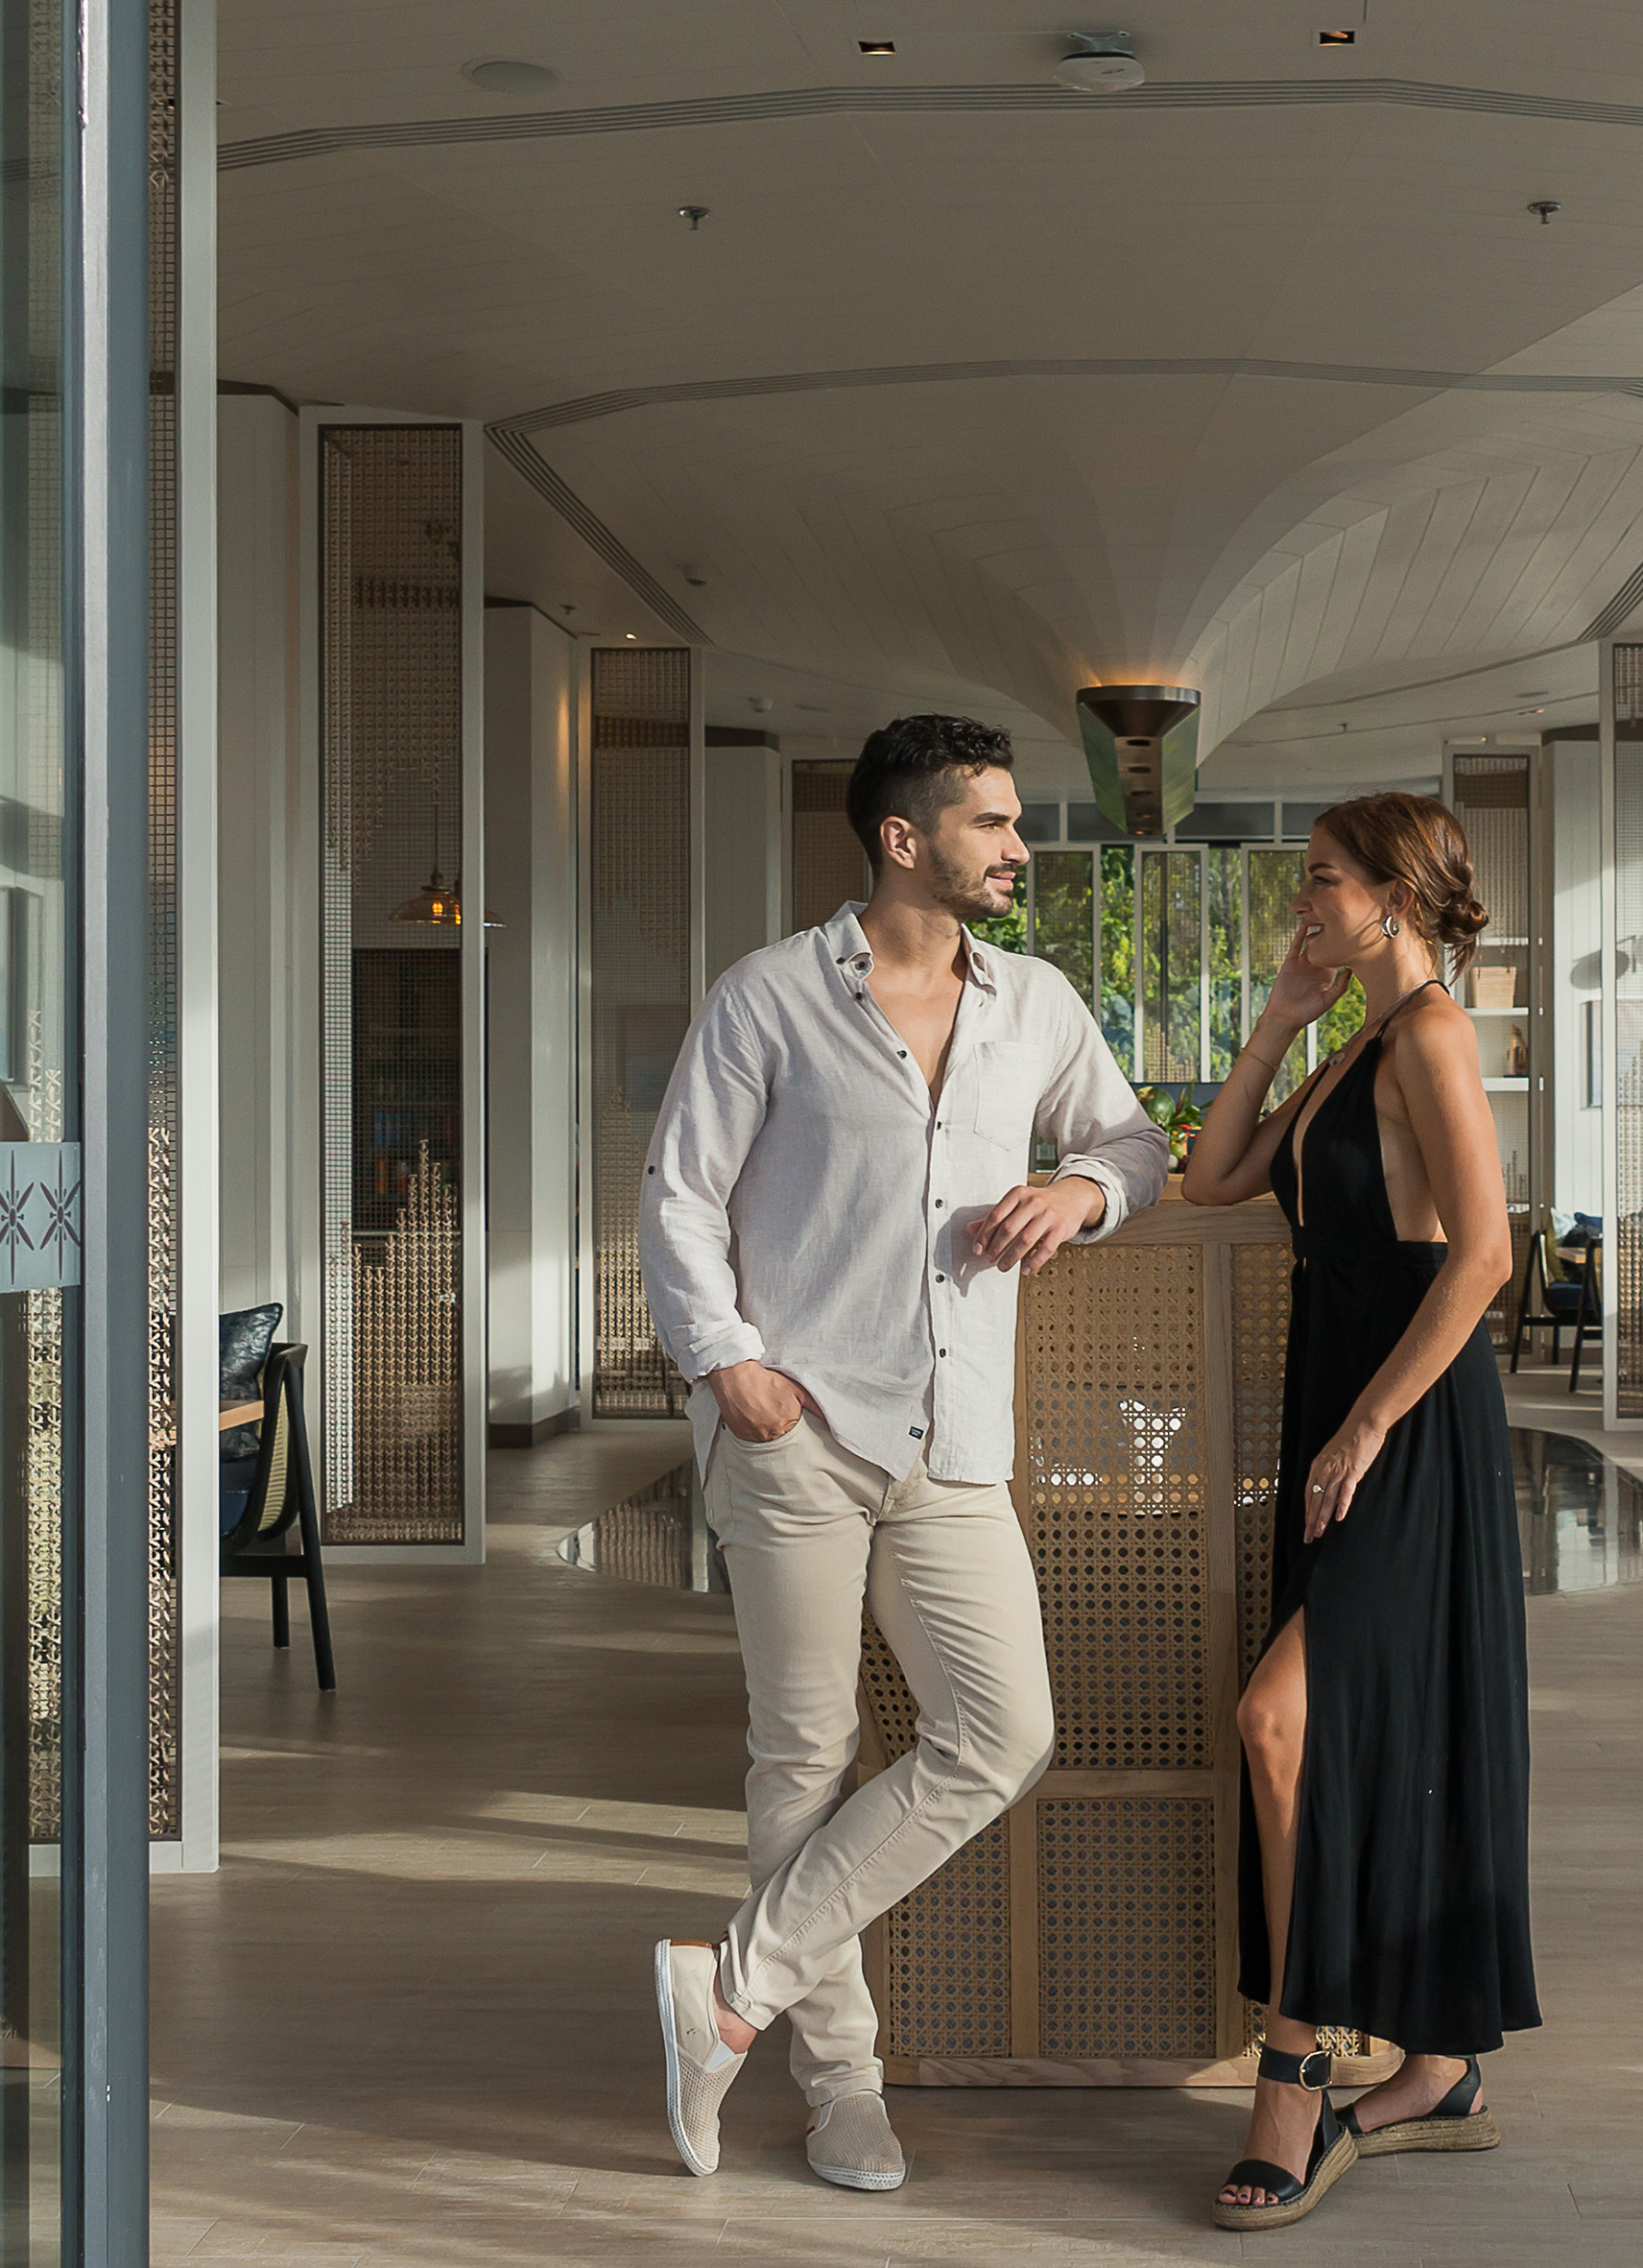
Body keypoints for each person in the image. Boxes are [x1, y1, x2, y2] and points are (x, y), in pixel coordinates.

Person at [635, 713, 1168, 2191]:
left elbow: (1133, 1144)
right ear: (903, 838)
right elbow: (679, 1196)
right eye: (991, 822)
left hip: (956, 1442)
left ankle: (727, 1988)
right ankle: (839, 2089)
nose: (1017, 847)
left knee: (1002, 1731)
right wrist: (727, 1360)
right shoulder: (767, 1000)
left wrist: (1081, 1192)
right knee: (802, 1758)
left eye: (1012, 821)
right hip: (796, 1429)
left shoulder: (1036, 1003)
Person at [1179, 791, 1539, 2231]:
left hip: (1403, 1425)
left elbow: (1488, 1254)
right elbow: (1210, 1178)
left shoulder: (1436, 1034)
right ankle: (1437, 2068)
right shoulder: (1361, 1046)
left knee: (1283, 1720)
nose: (1303, 900)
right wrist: (1277, 1015)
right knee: (1372, 1728)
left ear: (1395, 891)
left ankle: (1296, 2069)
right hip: (1349, 1421)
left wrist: (1371, 1426)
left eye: (1321, 881)